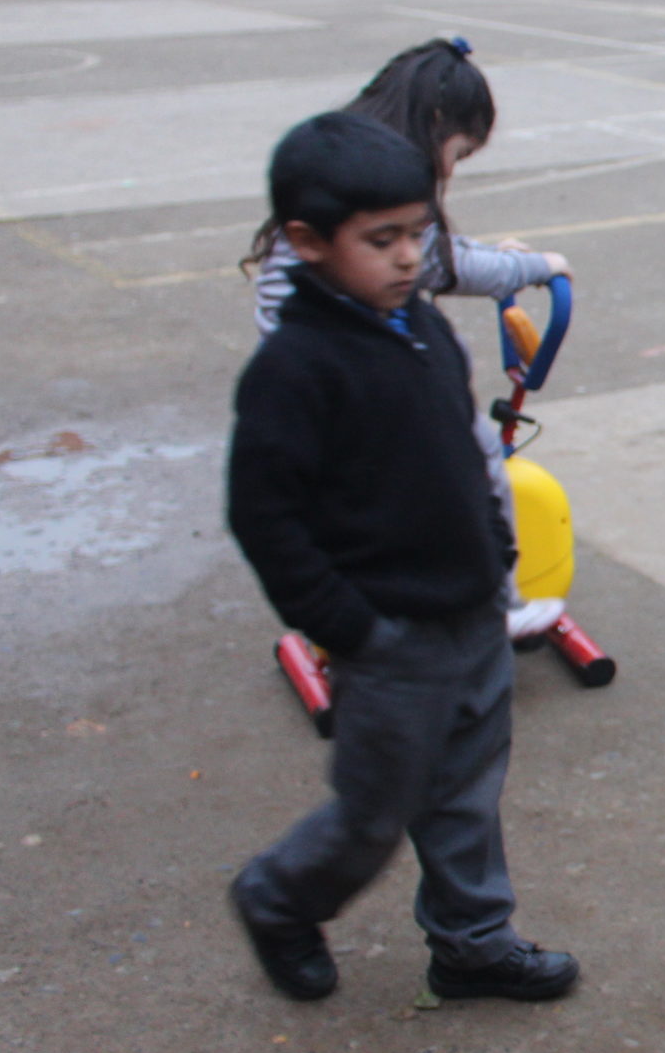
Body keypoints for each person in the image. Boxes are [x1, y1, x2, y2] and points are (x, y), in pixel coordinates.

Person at [227, 112, 581, 1008]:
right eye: (379, 240)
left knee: (467, 793)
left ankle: (471, 942)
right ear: (308, 242)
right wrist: (350, 626)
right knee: (374, 815)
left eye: (417, 235)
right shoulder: (295, 368)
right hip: (389, 638)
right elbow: (263, 516)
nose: (404, 258)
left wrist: (497, 552)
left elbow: (462, 454)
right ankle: (279, 896)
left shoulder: (416, 324)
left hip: (471, 613)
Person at [245, 38, 571, 644]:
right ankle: (488, 605)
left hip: (354, 348)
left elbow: (440, 257)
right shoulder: (378, 207)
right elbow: (447, 266)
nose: (452, 168)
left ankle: (470, 594)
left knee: (456, 462)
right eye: (460, 153)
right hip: (348, 369)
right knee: (466, 468)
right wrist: (539, 266)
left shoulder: (350, 172)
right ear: (436, 127)